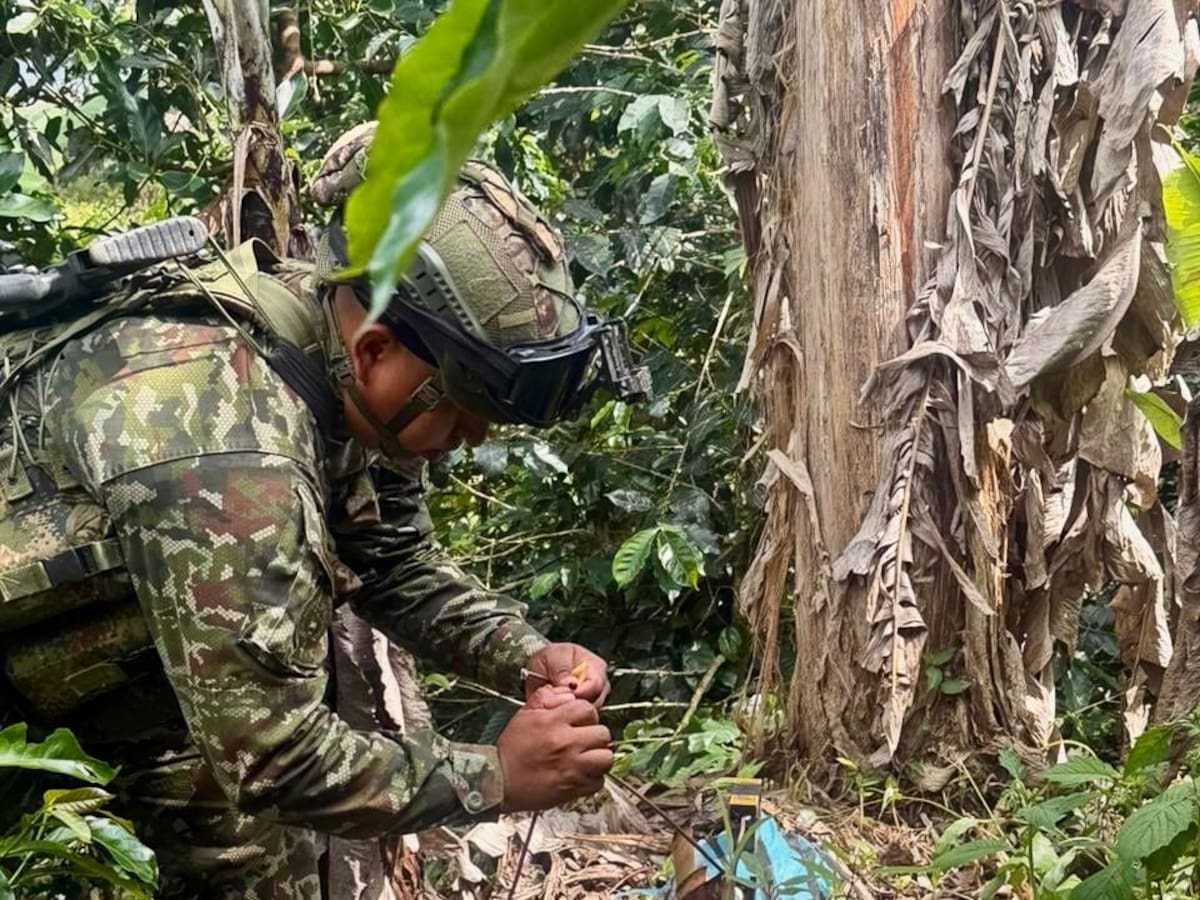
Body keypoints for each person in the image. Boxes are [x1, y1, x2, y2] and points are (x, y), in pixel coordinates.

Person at [0, 122, 649, 898]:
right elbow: (273, 757)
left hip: (129, 690)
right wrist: (498, 775)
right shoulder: (228, 447)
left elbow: (392, 560)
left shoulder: (333, 368)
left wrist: (523, 654)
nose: (474, 437)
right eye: (466, 407)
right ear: (375, 350)